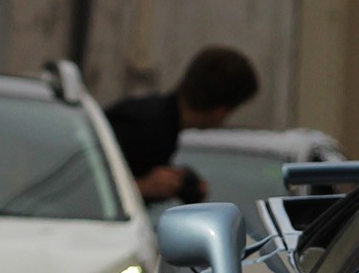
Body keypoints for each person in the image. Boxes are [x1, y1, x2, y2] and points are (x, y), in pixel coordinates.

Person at [104, 46, 259, 204]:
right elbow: (92, 187)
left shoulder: (159, 122)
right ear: (221, 111)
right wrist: (142, 187)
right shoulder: (145, 127)